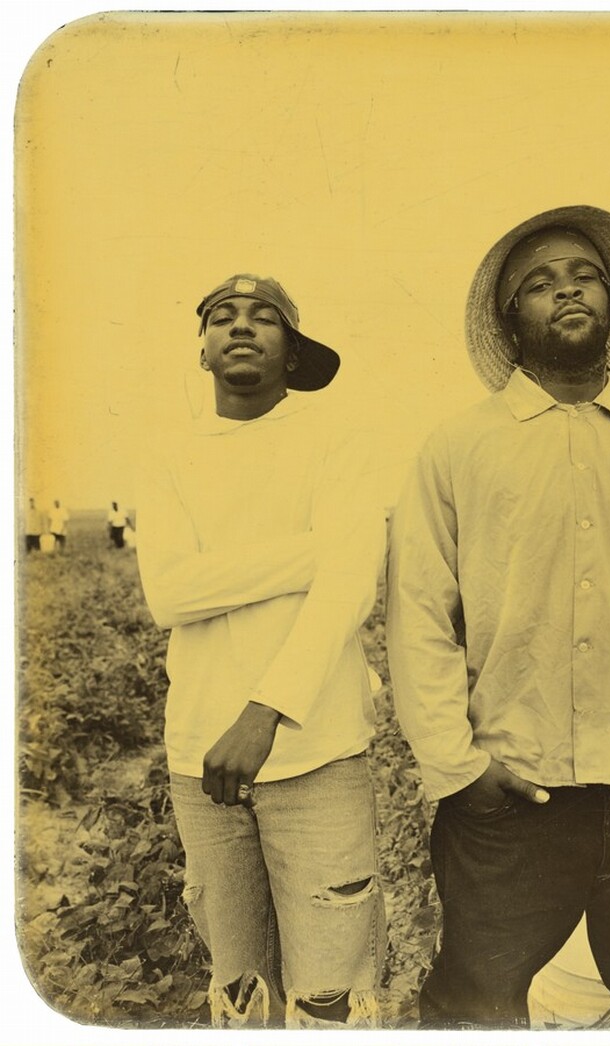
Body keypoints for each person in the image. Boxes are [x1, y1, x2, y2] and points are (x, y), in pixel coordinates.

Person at [386, 206, 610, 1030]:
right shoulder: (456, 449)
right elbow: (418, 619)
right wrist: (459, 769)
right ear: (510, 321)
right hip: (510, 794)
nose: (565, 290)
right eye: (539, 284)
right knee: (475, 1011)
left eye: (583, 275)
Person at [135, 274, 387, 1028]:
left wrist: (265, 710)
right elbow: (169, 595)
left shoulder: (334, 442)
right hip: (199, 760)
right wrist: (314, 551)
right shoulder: (170, 452)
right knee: (238, 985)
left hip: (318, 752)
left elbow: (350, 590)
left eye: (265, 318)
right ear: (204, 350)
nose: (241, 327)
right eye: (222, 317)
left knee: (330, 993)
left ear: (293, 351)